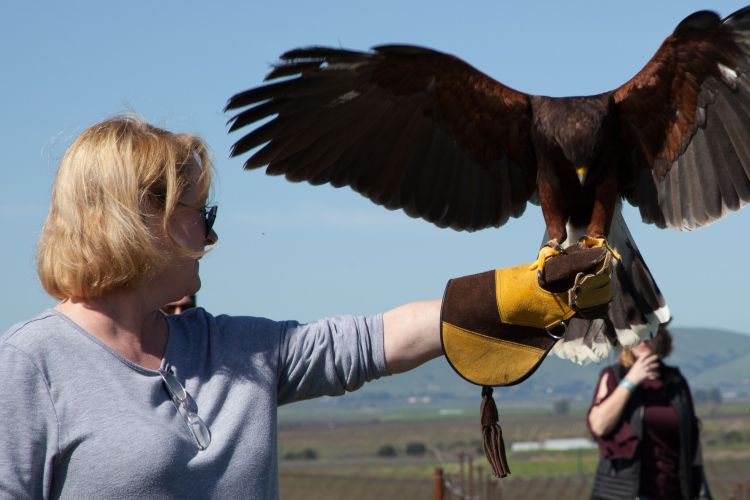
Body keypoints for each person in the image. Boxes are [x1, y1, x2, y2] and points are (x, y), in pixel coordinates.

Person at [0, 115, 609, 498]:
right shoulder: (30, 366)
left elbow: (371, 341)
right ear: (140, 221)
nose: (211, 237)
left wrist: (517, 291)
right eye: (199, 214)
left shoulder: (231, 348)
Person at [586, 326, 712, 500]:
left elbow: (692, 437)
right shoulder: (612, 376)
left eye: (649, 332)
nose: (642, 339)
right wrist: (631, 381)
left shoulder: (675, 381)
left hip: (673, 491)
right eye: (636, 334)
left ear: (660, 337)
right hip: (623, 493)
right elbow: (599, 426)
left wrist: (701, 489)